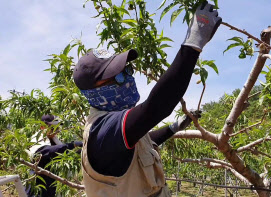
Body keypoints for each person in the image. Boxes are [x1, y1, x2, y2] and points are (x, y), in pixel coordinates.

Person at [73, 2, 221, 196]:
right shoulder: (104, 131)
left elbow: (144, 141)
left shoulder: (121, 134)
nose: (127, 78)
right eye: (117, 75)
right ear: (93, 92)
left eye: (127, 70)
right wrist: (193, 43)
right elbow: (154, 108)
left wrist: (174, 127)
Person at [26, 114, 83, 197]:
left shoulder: (54, 140)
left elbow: (67, 153)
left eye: (58, 128)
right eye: (53, 128)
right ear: (42, 127)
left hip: (52, 188)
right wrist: (72, 145)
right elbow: (45, 152)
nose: (56, 130)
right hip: (38, 188)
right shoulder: (36, 140)